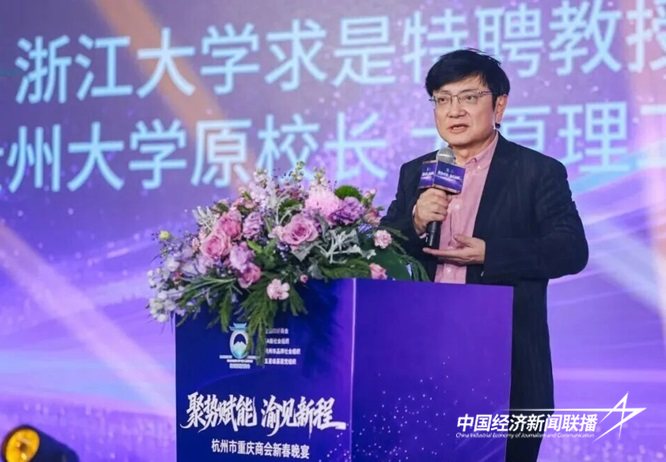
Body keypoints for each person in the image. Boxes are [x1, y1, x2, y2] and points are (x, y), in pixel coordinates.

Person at [381, 48, 588, 461]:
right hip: (423, 364)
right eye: (442, 99)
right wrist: (415, 220)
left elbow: (570, 250)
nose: (454, 110)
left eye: (469, 97)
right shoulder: (416, 171)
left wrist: (491, 254)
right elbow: (383, 249)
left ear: (500, 105)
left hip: (507, 367)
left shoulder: (536, 171)